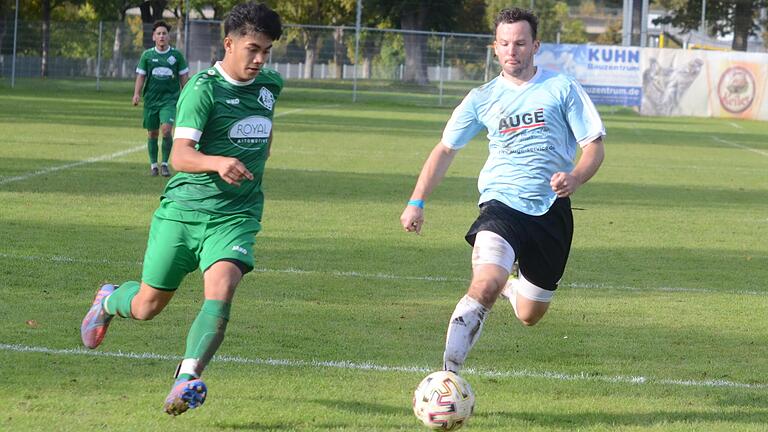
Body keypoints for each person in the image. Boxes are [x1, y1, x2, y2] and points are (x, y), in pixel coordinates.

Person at [81, 2, 283, 415]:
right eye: (253, 49)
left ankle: (186, 377)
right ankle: (108, 300)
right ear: (229, 43)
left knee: (223, 288)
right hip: (183, 213)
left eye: (267, 50)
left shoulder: (270, 86)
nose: (261, 59)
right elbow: (180, 157)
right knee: (147, 306)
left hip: (235, 217)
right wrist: (218, 162)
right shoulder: (203, 90)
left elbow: (264, 131)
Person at [399, 7, 605, 374]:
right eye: (506, 44)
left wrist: (575, 177)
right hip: (500, 205)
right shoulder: (481, 98)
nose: (513, 51)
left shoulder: (562, 88)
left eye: (521, 43)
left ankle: (511, 287)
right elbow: (445, 149)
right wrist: (417, 201)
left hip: (550, 210)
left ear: (535, 45)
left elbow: (594, 147)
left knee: (529, 314)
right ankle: (449, 376)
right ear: (495, 48)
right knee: (485, 284)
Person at [133, 21, 190, 177]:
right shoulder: (147, 55)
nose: (162, 36)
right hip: (151, 100)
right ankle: (153, 165)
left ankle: (164, 163)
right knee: (152, 133)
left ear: (168, 36)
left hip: (169, 100)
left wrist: (187, 95)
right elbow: (141, 76)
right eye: (158, 33)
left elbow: (184, 77)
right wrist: (136, 93)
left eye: (164, 33)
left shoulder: (176, 56)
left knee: (166, 130)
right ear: (154, 37)